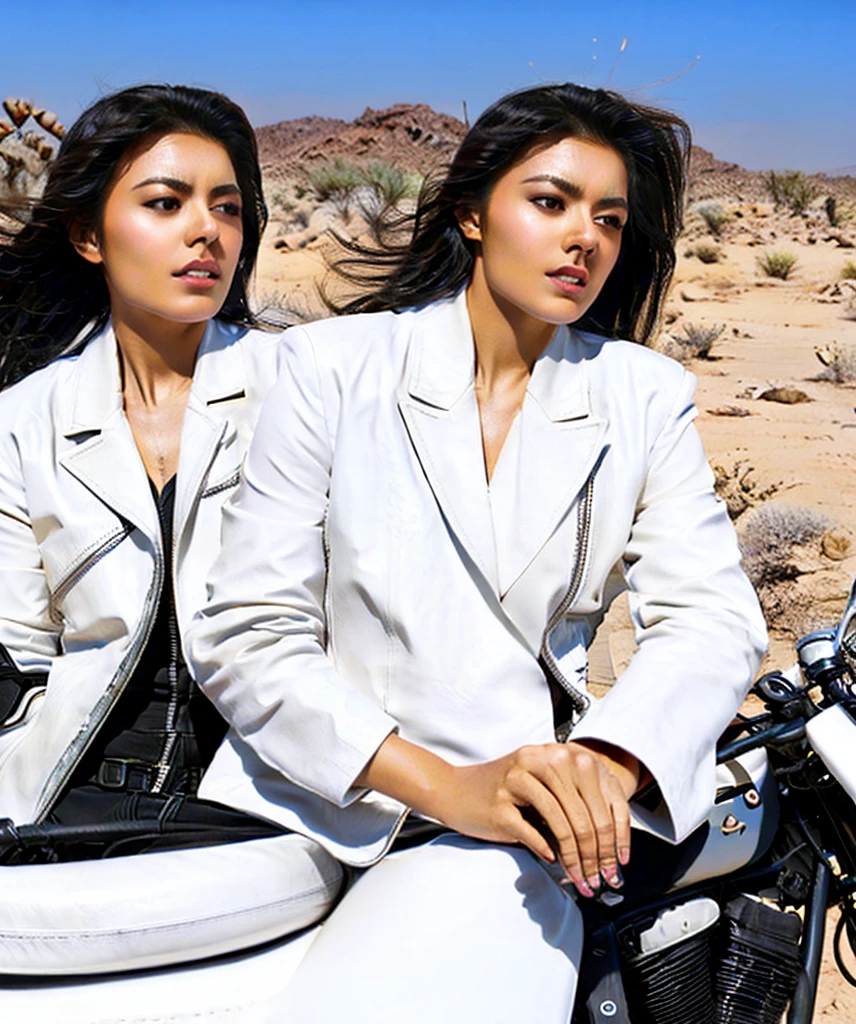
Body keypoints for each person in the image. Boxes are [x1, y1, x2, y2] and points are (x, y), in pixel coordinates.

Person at [188, 83, 768, 1021]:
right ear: (471, 212)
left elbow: (712, 617)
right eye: (550, 202)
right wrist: (448, 787)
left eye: (609, 220)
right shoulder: (331, 368)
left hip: (514, 824)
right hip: (312, 800)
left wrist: (605, 766)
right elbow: (249, 629)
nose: (584, 238)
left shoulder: (643, 396)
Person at [0, 84, 282, 847]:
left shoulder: (313, 388)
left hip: (267, 805)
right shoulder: (15, 424)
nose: (205, 231)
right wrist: (16, 737)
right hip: (68, 799)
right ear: (88, 236)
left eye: (227, 207)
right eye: (165, 203)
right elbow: (5, 632)